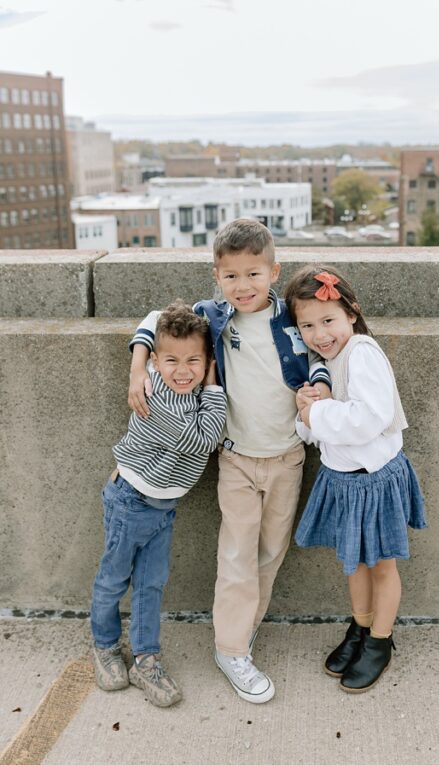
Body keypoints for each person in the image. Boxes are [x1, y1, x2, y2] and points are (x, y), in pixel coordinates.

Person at [127, 219, 331, 704]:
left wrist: (320, 384)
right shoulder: (212, 318)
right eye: (232, 276)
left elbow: (322, 351)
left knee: (269, 553)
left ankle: (246, 627)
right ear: (217, 277)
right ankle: (231, 647)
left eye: (254, 274)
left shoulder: (292, 318)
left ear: (273, 271)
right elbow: (155, 320)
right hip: (236, 460)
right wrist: (139, 367)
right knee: (237, 554)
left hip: (287, 458)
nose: (243, 286)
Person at [284, 264, 426, 692]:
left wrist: (317, 412)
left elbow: (370, 418)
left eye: (328, 320)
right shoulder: (323, 362)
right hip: (343, 480)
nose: (319, 333)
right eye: (307, 325)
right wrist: (306, 411)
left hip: (375, 480)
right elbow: (315, 431)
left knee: (381, 565)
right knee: (354, 562)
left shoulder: (361, 352)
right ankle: (361, 627)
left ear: (351, 313)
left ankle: (381, 641)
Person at [91, 301, 226, 708]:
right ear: (155, 360)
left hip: (163, 507)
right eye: (171, 360)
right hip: (130, 501)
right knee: (113, 580)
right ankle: (106, 645)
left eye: (194, 361)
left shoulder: (163, 373)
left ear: (205, 358)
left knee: (151, 585)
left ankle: (146, 660)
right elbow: (204, 440)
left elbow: (152, 317)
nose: (183, 371)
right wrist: (214, 384)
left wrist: (142, 359)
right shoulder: (154, 394)